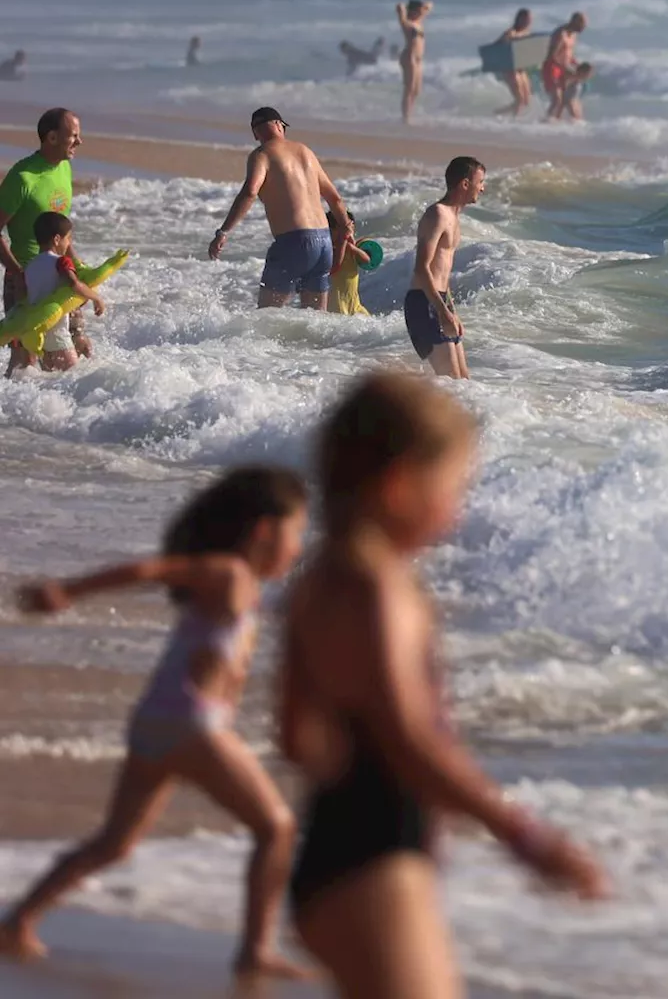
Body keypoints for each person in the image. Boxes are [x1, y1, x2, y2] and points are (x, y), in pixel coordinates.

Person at [282, 372, 608, 999]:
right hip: (375, 858)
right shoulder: (383, 589)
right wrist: (525, 836)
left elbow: (296, 736)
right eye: (455, 487)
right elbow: (412, 736)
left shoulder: (319, 579)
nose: (459, 510)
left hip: (330, 850)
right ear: (400, 484)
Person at [0, 467, 312, 981]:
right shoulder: (229, 573)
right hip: (193, 728)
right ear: (263, 531)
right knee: (276, 827)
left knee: (114, 844)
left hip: (156, 726)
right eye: (297, 531)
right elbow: (151, 569)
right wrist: (68, 591)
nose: (299, 545)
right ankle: (255, 950)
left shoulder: (241, 583)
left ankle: (18, 920)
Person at [208, 107, 350, 311]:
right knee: (315, 321)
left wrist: (224, 232)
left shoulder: (262, 155)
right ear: (279, 125)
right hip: (324, 243)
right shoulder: (305, 152)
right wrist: (345, 228)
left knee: (265, 318)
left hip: (293, 243)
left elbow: (250, 192)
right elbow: (334, 198)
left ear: (256, 133)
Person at [0, 109, 82, 375]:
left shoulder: (64, 168)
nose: (79, 142)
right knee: (25, 365)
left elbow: (60, 231)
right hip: (26, 283)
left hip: (60, 280)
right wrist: (17, 273)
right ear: (52, 137)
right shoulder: (23, 178)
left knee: (70, 363)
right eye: (74, 136)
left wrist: (78, 269)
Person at [405, 156, 485, 379]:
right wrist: (441, 311)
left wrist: (452, 311)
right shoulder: (437, 214)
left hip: (439, 301)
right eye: (480, 182)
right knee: (451, 382)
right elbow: (422, 268)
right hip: (424, 302)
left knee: (463, 381)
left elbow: (442, 273)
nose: (483, 188)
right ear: (465, 184)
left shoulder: (454, 217)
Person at [12, 212, 106, 374]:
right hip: (58, 334)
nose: (69, 243)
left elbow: (22, 297)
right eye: (68, 238)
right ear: (57, 239)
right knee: (73, 379)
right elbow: (75, 284)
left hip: (38, 336)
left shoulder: (29, 267)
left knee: (53, 383)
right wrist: (96, 298)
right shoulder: (61, 262)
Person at [542, 12, 587, 119]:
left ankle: (554, 125)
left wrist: (577, 66)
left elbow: (569, 54)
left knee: (564, 102)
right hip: (552, 68)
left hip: (564, 68)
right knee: (557, 100)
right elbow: (551, 56)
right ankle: (545, 123)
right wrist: (565, 68)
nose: (584, 27)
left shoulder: (574, 35)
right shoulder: (560, 34)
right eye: (582, 24)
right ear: (574, 21)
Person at [396, 0, 434, 123]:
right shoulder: (408, 24)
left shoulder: (419, 21)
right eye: (416, 11)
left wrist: (423, 8)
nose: (419, 13)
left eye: (419, 11)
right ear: (411, 11)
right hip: (409, 57)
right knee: (409, 88)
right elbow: (400, 9)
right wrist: (404, 8)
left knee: (417, 90)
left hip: (418, 59)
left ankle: (409, 113)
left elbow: (430, 5)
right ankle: (405, 118)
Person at [327, 210, 371, 316]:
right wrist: (343, 243)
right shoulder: (330, 249)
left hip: (354, 304)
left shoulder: (352, 248)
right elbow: (336, 265)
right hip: (337, 304)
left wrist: (353, 248)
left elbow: (367, 260)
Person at [495, 8, 533, 116]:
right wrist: (508, 41)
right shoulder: (511, 32)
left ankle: (498, 113)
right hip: (510, 69)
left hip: (521, 68)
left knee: (526, 101)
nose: (529, 22)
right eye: (527, 19)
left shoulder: (526, 33)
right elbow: (496, 46)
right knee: (519, 100)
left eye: (530, 19)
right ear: (520, 19)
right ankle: (514, 121)